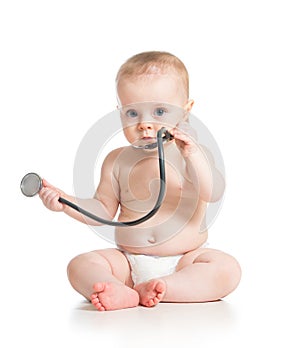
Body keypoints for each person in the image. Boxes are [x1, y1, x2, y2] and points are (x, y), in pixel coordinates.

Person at [39, 51, 241, 311]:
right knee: (80, 265)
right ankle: (123, 290)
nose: (145, 125)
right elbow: (103, 209)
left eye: (159, 111)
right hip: (128, 262)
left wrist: (191, 154)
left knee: (227, 269)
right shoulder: (116, 160)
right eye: (132, 113)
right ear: (120, 112)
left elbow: (213, 191)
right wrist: (66, 203)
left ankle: (167, 286)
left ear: (186, 110)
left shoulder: (193, 154)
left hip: (185, 261)